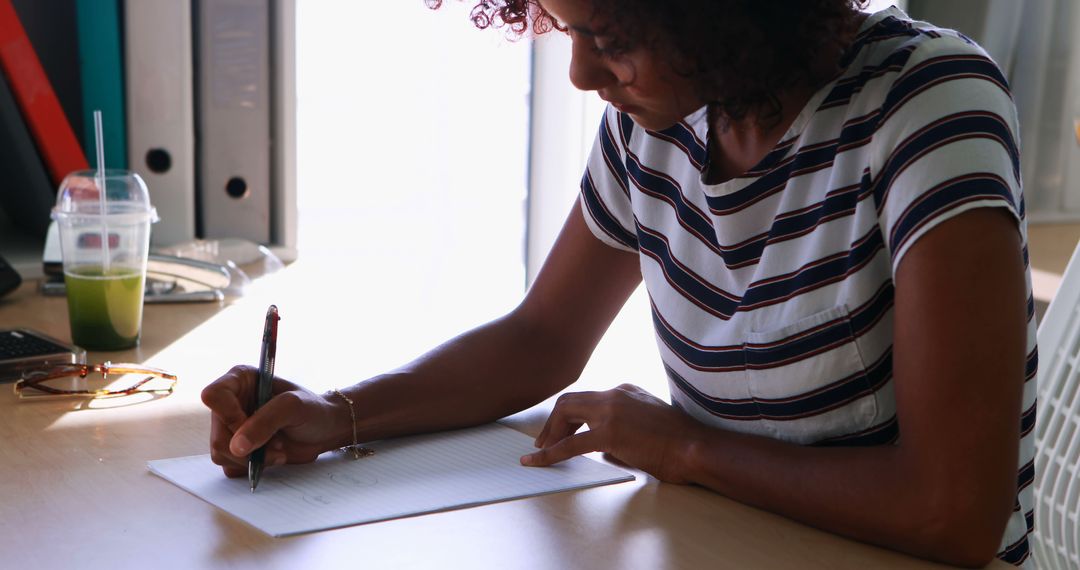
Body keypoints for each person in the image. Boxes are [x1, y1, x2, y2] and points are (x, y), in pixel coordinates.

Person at [201, 1, 1036, 566]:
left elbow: (952, 511)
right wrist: (338, 414)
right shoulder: (667, 119)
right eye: (564, 28)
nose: (580, 76)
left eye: (611, 36)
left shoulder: (925, 105)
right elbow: (541, 339)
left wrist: (683, 445)